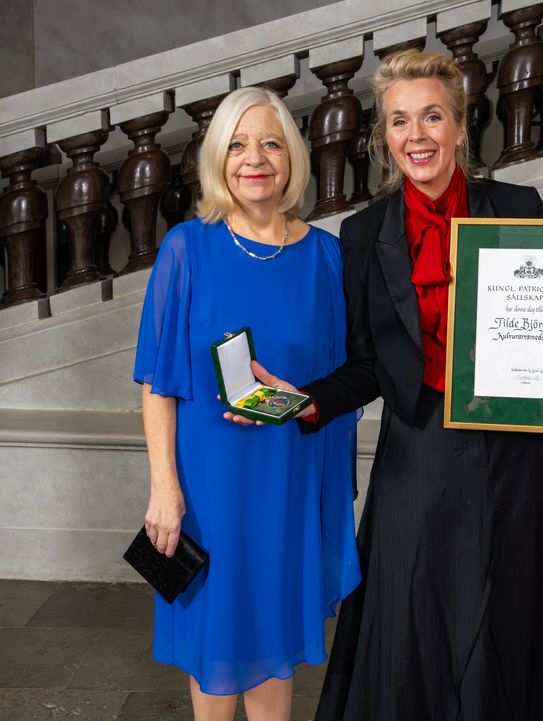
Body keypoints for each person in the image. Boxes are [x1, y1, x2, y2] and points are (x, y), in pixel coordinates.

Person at [228, 49, 543, 721]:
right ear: (384, 136)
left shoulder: (520, 205)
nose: (416, 135)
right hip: (417, 444)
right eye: (398, 121)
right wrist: (306, 400)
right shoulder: (361, 234)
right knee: (411, 609)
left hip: (515, 451)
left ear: (459, 125)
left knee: (506, 604)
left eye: (432, 116)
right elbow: (366, 363)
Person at [134, 86, 360, 721]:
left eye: (269, 142)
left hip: (287, 479)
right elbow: (157, 381)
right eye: (236, 144)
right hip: (208, 485)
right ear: (217, 158)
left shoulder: (325, 256)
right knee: (217, 640)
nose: (253, 158)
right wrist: (163, 489)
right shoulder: (187, 247)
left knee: (275, 633)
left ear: (291, 157)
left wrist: (297, 411)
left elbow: (340, 382)